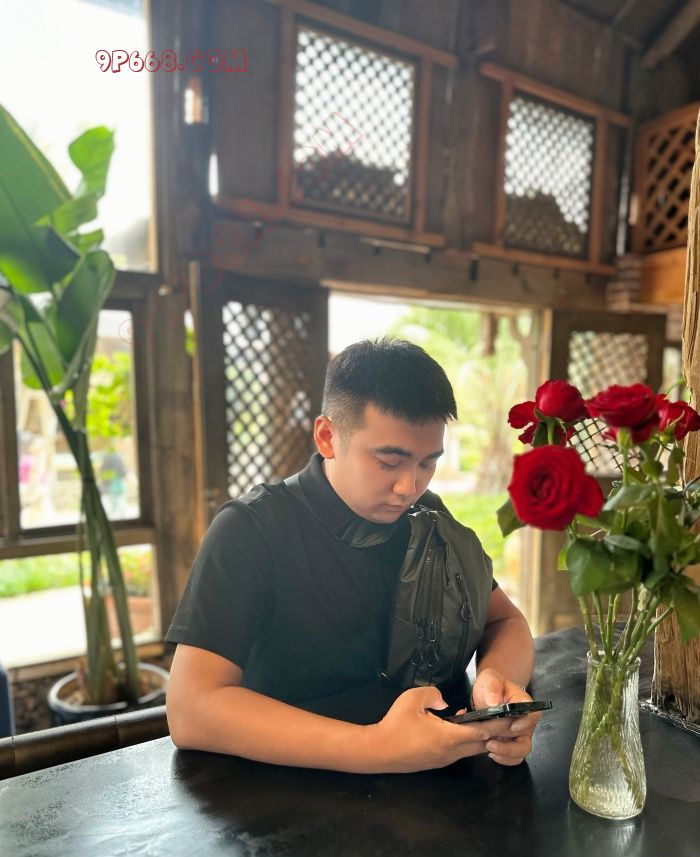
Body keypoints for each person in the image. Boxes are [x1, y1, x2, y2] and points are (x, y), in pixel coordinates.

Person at [166, 338, 540, 773]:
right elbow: (192, 709)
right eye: (389, 461)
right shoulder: (251, 529)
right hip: (290, 792)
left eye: (427, 463)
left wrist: (498, 686)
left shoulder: (427, 516)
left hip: (442, 782)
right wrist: (377, 747)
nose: (409, 486)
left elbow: (504, 620)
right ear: (327, 437)